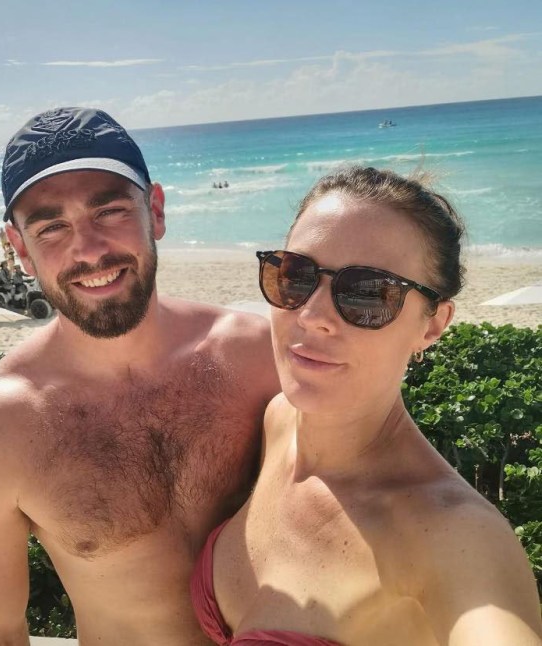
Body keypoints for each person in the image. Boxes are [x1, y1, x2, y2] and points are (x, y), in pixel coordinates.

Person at [0, 106, 280, 646]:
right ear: (20, 249)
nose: (89, 250)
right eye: (52, 227)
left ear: (155, 211)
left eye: (110, 211)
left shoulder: (259, 355)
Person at [190, 166, 542, 646]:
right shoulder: (279, 422)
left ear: (433, 324)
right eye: (295, 276)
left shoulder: (454, 535)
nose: (312, 315)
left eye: (368, 293)